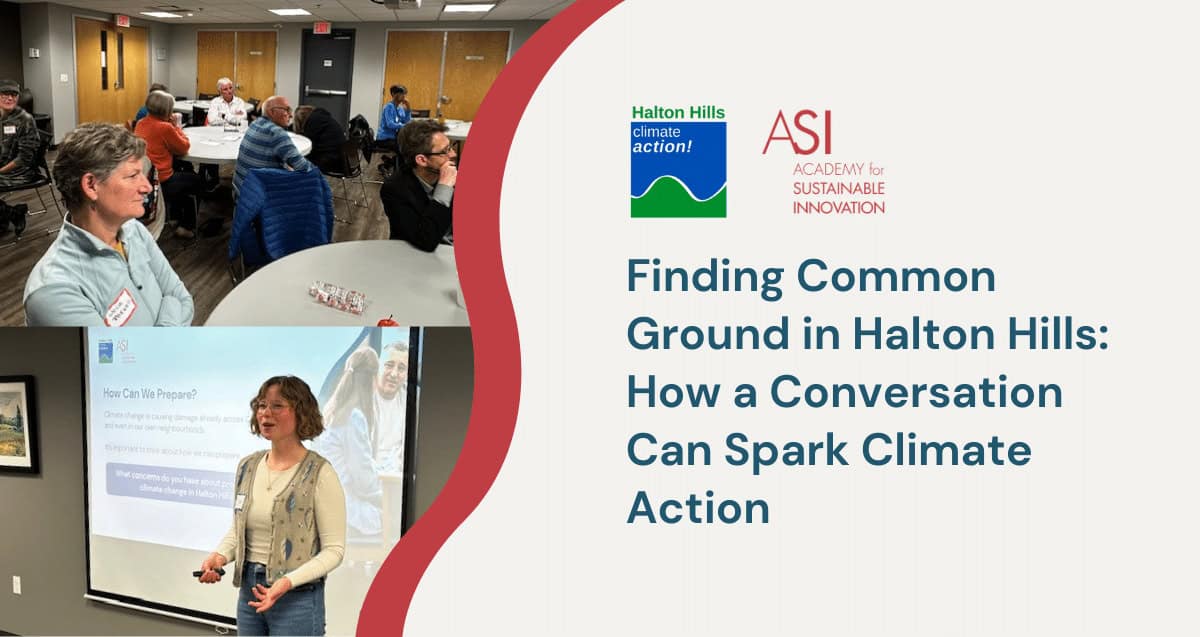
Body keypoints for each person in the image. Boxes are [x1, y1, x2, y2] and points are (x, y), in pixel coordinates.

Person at [198, 376, 346, 636]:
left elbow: (334, 551)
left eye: (277, 406)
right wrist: (219, 556)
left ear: (301, 412)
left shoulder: (320, 473)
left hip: (297, 598)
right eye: (261, 405)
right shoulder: (248, 466)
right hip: (250, 591)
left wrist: (287, 582)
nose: (266, 413)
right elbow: (239, 531)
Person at [23, 123, 194, 326]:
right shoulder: (54, 290)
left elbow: (182, 298)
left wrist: (168, 316)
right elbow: (127, 358)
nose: (147, 187)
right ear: (91, 186)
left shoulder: (133, 230)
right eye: (132, 176)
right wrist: (170, 309)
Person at [311, 349, 385, 538]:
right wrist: (383, 493)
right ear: (373, 379)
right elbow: (363, 479)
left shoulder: (331, 411)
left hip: (327, 507)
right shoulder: (354, 417)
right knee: (394, 519)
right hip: (348, 512)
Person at [134, 90, 202, 238]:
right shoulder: (165, 127)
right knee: (197, 181)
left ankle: (173, 217)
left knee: (183, 170)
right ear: (167, 110)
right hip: (161, 180)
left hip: (144, 176)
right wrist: (177, 126)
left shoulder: (141, 123)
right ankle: (185, 225)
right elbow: (184, 147)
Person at [380, 119, 455, 252]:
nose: (453, 154)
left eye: (451, 146)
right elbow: (426, 241)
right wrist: (444, 188)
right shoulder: (394, 190)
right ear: (422, 160)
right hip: (417, 258)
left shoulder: (453, 175)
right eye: (445, 151)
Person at [234, 95, 312, 195]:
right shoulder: (277, 133)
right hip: (259, 199)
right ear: (272, 112)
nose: (291, 115)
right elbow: (305, 168)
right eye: (287, 110)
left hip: (240, 190)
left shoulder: (255, 123)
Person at [0, 78, 39, 237]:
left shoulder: (25, 120)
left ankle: (9, 215)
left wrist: (0, 171)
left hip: (19, 172)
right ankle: (10, 214)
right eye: (5, 94)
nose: (9, 98)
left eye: (14, 95)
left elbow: (24, 158)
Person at [373, 341, 408, 472]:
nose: (394, 374)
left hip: (396, 478)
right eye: (389, 365)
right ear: (378, 366)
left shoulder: (410, 401)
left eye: (401, 368)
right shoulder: (363, 396)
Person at [294, 105, 347, 175]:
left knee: (297, 162)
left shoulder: (313, 122)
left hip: (333, 162)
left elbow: (309, 146)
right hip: (340, 158)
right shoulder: (322, 118)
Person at [374, 84, 411, 153]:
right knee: (403, 148)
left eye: (404, 94)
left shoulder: (400, 108)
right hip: (385, 138)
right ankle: (397, 163)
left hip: (394, 137)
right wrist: (403, 125)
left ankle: (399, 163)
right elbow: (390, 124)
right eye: (401, 94)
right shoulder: (389, 107)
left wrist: (408, 109)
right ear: (394, 94)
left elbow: (407, 121)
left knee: (409, 145)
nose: (403, 96)